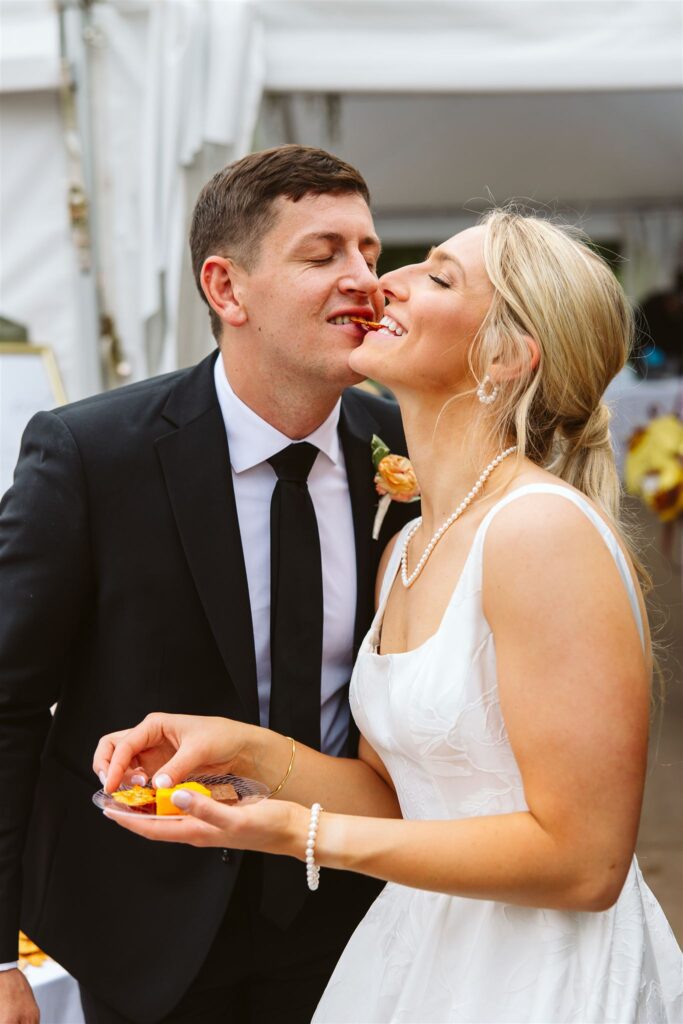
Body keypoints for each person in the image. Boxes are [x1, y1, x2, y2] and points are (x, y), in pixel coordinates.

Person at [97, 210, 683, 1023]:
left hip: (540, 979)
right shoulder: (407, 544)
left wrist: (293, 834)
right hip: (421, 953)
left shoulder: (539, 530)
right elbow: (400, 799)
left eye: (435, 276)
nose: (383, 283)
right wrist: (243, 750)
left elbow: (584, 864)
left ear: (506, 356)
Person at [0, 146, 419, 1024]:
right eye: (324, 254)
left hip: (358, 918)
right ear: (226, 289)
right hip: (140, 931)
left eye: (371, 253)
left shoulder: (409, 451)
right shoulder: (91, 455)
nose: (366, 281)